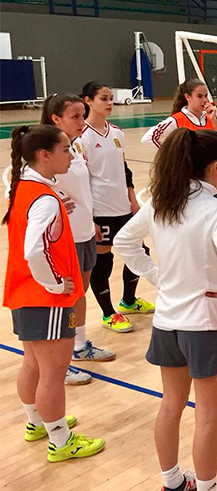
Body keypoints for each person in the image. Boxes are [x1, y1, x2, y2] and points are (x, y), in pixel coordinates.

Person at [114, 128, 217, 491]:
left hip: (167, 321)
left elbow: (124, 242)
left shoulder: (161, 200)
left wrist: (157, 277)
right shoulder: (215, 209)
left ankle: (173, 482)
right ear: (213, 166)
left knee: (170, 405)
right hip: (207, 325)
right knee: (208, 416)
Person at [5, 124, 105, 462]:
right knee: (52, 373)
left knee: (32, 363)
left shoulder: (23, 186)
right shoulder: (45, 199)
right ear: (44, 155)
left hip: (23, 292)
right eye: (65, 149)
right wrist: (55, 283)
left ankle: (37, 422)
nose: (71, 154)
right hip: (44, 298)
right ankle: (61, 441)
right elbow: (35, 250)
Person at [42, 93, 117, 385]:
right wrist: (55, 196)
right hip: (63, 238)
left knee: (79, 295)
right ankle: (58, 363)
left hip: (85, 231)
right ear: (55, 119)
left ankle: (79, 347)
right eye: (74, 116)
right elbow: (18, 177)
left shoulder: (74, 149)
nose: (81, 121)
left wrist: (92, 220)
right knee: (64, 298)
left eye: (82, 115)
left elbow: (83, 189)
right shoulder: (46, 151)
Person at [79, 81, 154, 333]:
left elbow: (124, 170)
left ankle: (129, 301)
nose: (110, 103)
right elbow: (81, 180)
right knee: (103, 259)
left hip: (123, 206)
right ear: (88, 101)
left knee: (138, 250)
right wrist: (90, 218)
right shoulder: (83, 138)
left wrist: (133, 200)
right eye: (103, 98)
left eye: (111, 98)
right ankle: (108, 313)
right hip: (100, 210)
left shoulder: (117, 132)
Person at [141, 78, 217, 201]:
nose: (205, 100)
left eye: (206, 96)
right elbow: (148, 138)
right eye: (199, 96)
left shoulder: (210, 119)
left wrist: (214, 120)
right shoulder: (176, 120)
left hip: (210, 180)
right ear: (188, 97)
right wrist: (174, 154)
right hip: (188, 181)